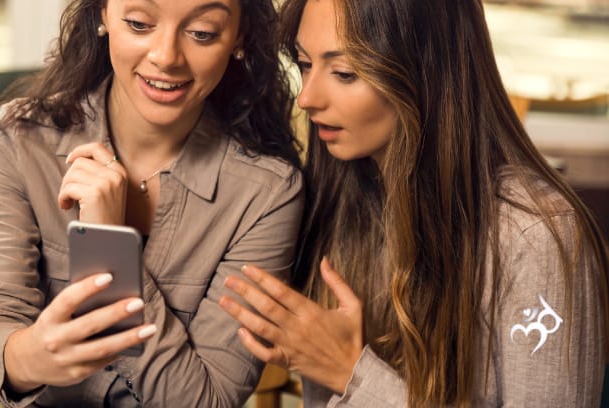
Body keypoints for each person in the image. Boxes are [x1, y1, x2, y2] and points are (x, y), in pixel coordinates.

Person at [219, 0, 609, 406]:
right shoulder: (338, 201)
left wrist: (352, 373)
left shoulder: (536, 235)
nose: (308, 97)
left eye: (344, 73)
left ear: (426, 71)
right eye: (304, 63)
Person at [0, 0, 304, 405]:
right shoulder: (17, 142)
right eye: (139, 24)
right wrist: (25, 357)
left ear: (239, 36)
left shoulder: (268, 193)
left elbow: (210, 400)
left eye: (203, 32)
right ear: (103, 15)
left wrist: (108, 249)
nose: (166, 57)